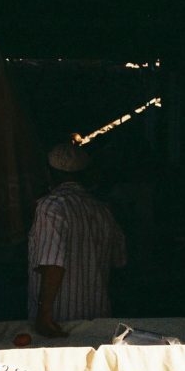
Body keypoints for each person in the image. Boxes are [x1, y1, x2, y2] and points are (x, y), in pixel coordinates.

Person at [27, 141, 127, 337]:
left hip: (59, 321)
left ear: (49, 173)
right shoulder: (102, 209)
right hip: (99, 318)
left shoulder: (51, 206)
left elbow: (52, 263)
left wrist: (44, 314)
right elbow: (120, 262)